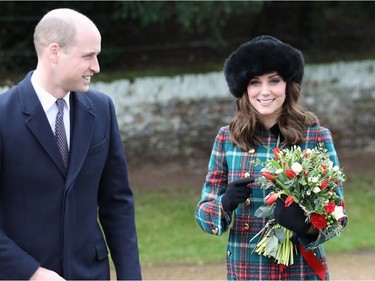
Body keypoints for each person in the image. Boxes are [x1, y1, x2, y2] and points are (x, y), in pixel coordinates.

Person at [0, 8, 141, 280]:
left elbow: (117, 202)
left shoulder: (102, 109)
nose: (96, 67)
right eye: (88, 56)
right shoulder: (3, 117)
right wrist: (31, 272)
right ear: (54, 52)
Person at [195, 35, 347, 280]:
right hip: (246, 270)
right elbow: (203, 215)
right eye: (255, 82)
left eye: (274, 81)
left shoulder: (317, 136)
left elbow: (337, 215)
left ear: (288, 85)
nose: (265, 91)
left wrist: (305, 225)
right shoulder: (227, 138)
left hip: (300, 272)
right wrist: (224, 203)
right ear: (245, 88)